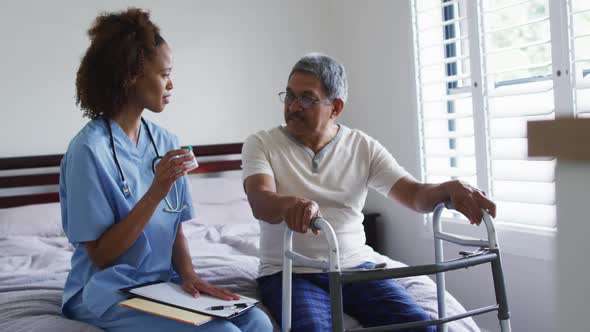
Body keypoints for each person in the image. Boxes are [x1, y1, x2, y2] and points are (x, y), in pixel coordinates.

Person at [242, 53, 496, 332]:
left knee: (423, 327)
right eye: (289, 95)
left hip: (356, 267)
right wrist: (289, 204)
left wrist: (450, 187)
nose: (292, 106)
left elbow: (413, 195)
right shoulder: (261, 143)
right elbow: (260, 200)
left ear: (335, 107)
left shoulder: (362, 146)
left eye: (306, 98)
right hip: (289, 271)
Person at [59, 8, 272, 332]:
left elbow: (175, 227)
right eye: (163, 74)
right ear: (130, 75)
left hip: (159, 285)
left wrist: (189, 275)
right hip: (106, 291)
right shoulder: (88, 152)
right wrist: (156, 192)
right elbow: (101, 257)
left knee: (257, 321)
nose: (171, 84)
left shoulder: (165, 142)